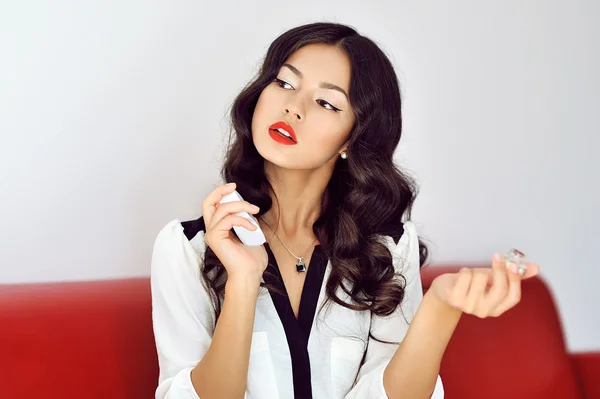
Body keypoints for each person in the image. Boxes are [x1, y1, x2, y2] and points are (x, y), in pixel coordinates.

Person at [150, 22, 540, 399]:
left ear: (351, 140)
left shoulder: (387, 248)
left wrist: (441, 305)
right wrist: (243, 280)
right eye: (284, 83)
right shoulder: (187, 247)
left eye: (326, 102)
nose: (293, 107)